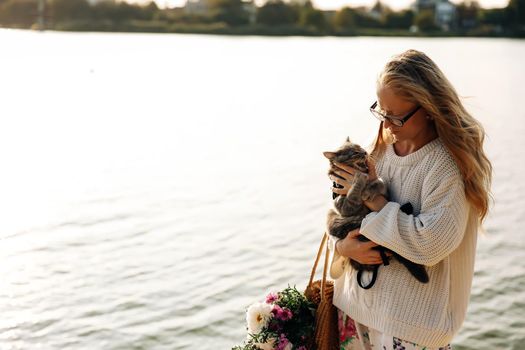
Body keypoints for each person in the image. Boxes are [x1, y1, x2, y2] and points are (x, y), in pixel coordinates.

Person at [326, 49, 492, 350]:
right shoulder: (375, 151)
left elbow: (429, 245)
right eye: (381, 112)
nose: (387, 125)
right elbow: (336, 216)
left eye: (396, 117)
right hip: (351, 312)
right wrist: (342, 247)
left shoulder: (447, 166)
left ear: (429, 108)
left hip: (411, 330)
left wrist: (372, 199)